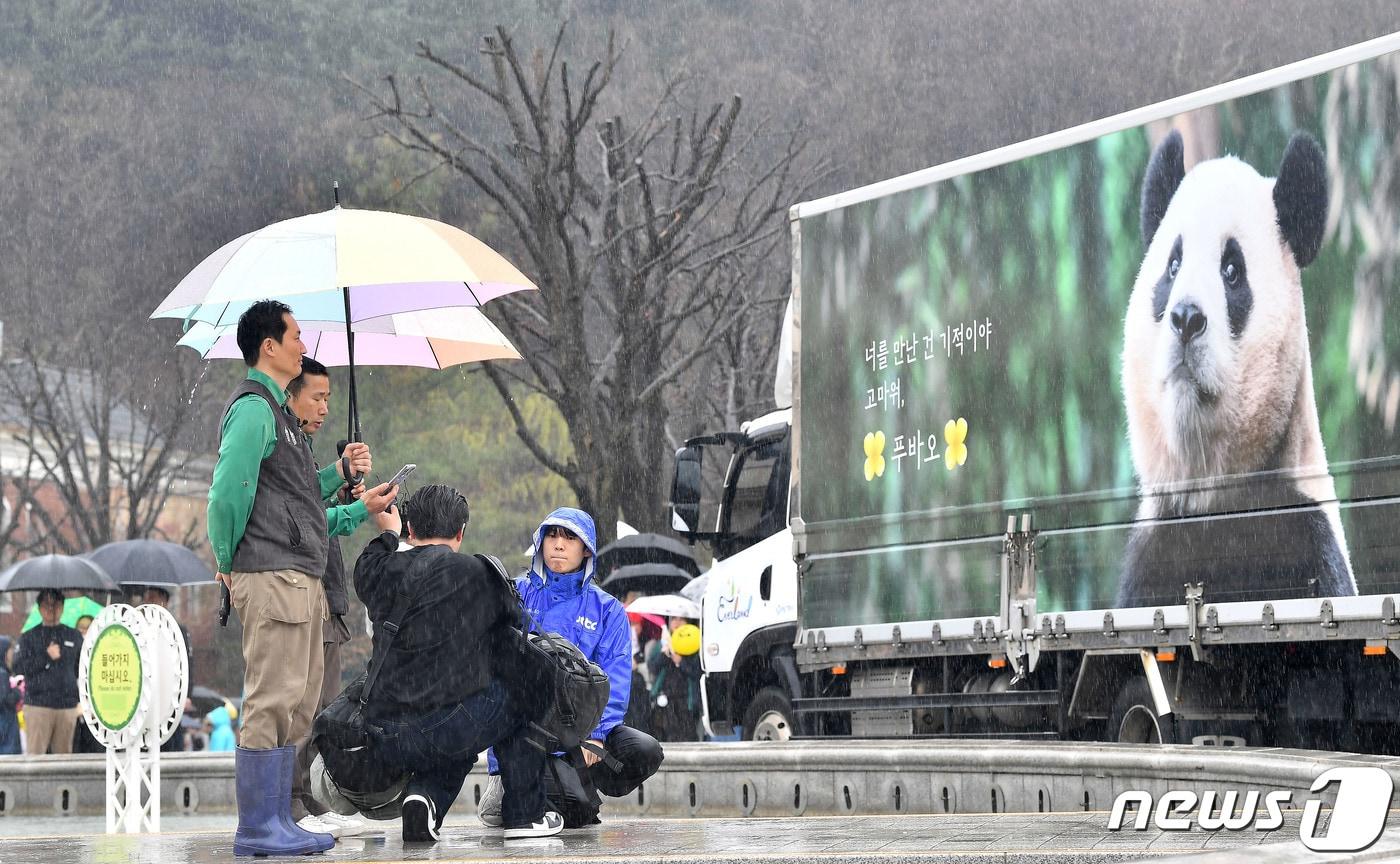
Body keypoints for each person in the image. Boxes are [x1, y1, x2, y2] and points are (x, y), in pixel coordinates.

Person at [207, 299, 397, 857]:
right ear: (269, 345)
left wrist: (355, 497)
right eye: (295, 336)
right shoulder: (254, 408)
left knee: (298, 700)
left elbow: (299, 506)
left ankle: (279, 818)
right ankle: (259, 826)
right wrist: (227, 557)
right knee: (272, 698)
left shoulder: (281, 418)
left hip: (299, 577)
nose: (303, 345)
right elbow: (227, 493)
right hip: (270, 576)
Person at [352, 484, 562, 843]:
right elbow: (519, 636)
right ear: (461, 531)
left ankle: (425, 799)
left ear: (410, 529)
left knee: (463, 724)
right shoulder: (478, 573)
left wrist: (389, 533)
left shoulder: (377, 569)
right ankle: (525, 814)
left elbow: (374, 559)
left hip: (382, 733)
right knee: (526, 689)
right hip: (445, 726)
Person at [479, 508, 663, 829]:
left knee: (645, 750)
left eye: (569, 537)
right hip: (530, 727)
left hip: (582, 726)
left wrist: (598, 734)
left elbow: (616, 679)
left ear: (586, 549)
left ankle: (576, 782)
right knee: (573, 814)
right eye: (552, 535)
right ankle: (521, 786)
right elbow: (495, 671)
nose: (559, 545)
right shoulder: (517, 595)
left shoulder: (607, 609)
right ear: (540, 542)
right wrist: (498, 762)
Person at [284, 357, 369, 839]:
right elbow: (301, 516)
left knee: (323, 708)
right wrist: (346, 492)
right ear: (291, 395)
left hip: (328, 594)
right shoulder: (281, 444)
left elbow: (318, 515)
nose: (323, 408)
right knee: (299, 704)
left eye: (329, 400)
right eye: (316, 397)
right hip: (304, 592)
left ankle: (306, 798)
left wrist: (349, 495)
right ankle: (291, 801)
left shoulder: (302, 447)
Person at [13, 590, 82, 755]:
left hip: (67, 706)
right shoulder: (29, 637)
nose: (51, 609)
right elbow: (19, 667)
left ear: (63, 607)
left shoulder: (73, 635)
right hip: (38, 705)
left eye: (56, 605)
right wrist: (46, 657)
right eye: (47, 605)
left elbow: (81, 667)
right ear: (39, 608)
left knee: (64, 759)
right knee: (35, 758)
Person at [139, 587, 194, 755]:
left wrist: (187, 693)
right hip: (145, 696)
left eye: (154, 599)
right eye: (147, 599)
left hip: (170, 695)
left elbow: (188, 664)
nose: (151, 603)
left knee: (170, 742)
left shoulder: (177, 629)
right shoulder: (138, 627)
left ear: (165, 602)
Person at [0, 637, 21, 755]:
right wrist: (17, 693)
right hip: (5, 728)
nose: (12, 653)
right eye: (10, 650)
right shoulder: (2, 674)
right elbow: (4, 699)